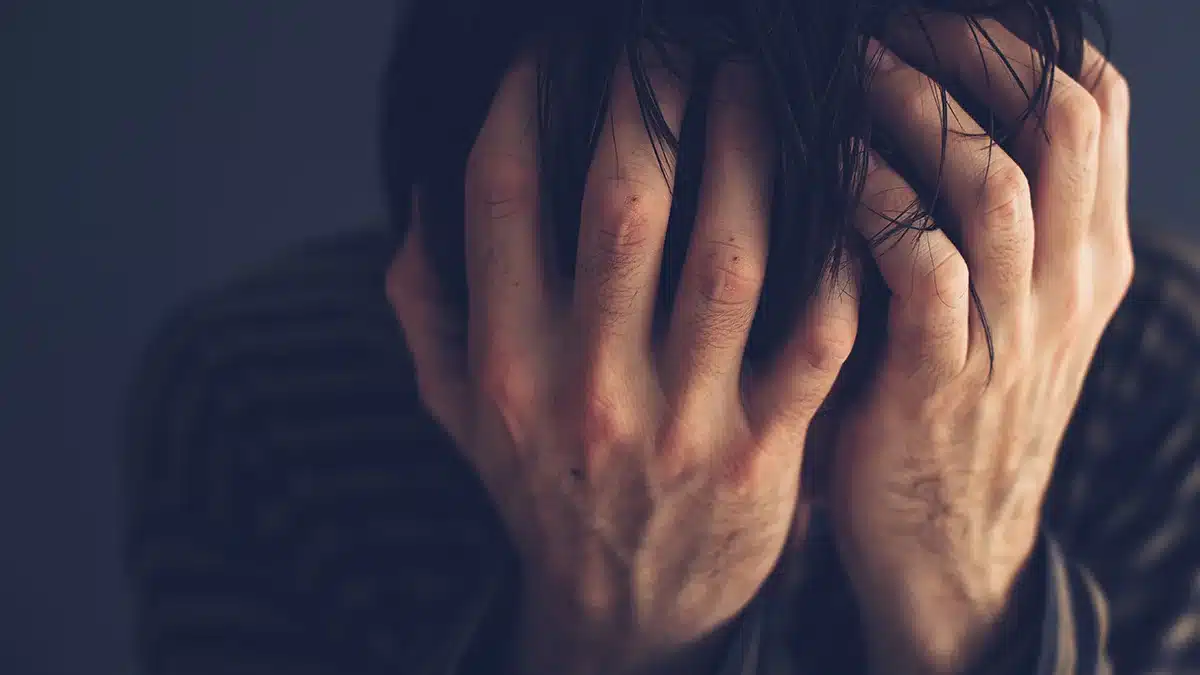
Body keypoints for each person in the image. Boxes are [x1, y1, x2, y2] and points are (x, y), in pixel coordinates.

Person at [124, 1, 1200, 673]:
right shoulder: (264, 412)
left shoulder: (1162, 377)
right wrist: (610, 639)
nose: (736, 470)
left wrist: (964, 595)